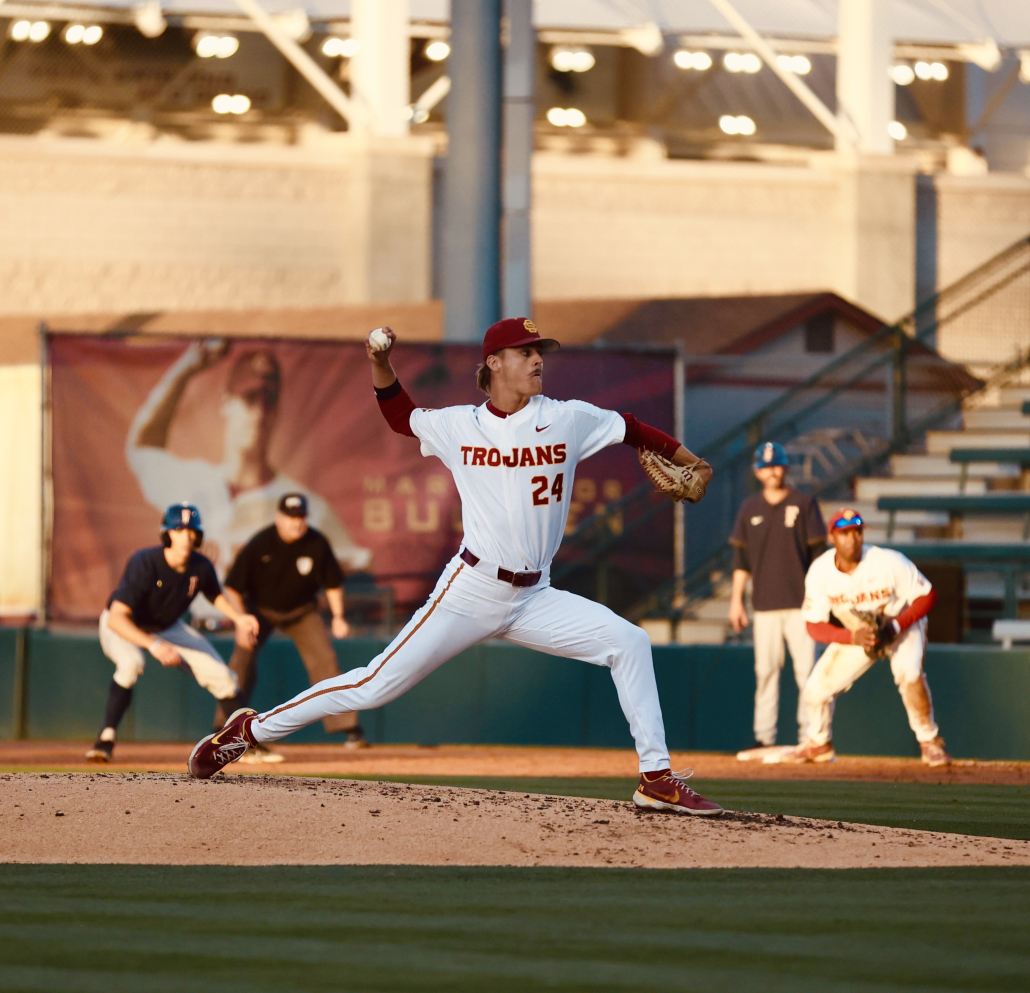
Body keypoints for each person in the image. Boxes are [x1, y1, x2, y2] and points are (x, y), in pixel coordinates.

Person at [189, 317, 724, 816]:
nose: (538, 360)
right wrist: (380, 363)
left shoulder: (568, 418)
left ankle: (655, 776)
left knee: (629, 642)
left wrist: (689, 460)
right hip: (471, 591)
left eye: (541, 352)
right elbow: (400, 415)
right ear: (494, 363)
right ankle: (249, 731)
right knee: (374, 685)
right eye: (525, 352)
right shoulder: (459, 426)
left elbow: (631, 428)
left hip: (536, 597)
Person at [126, 340, 371, 619]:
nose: (260, 412)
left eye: (269, 400)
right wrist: (187, 368)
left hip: (271, 639)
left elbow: (360, 580)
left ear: (277, 411)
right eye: (249, 398)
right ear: (226, 403)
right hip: (203, 632)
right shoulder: (191, 482)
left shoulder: (309, 509)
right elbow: (142, 448)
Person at [85, 504, 259, 763]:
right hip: (125, 625)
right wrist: (154, 646)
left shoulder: (200, 566)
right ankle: (105, 739)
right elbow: (117, 618)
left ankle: (245, 742)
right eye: (179, 529)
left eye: (191, 530)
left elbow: (215, 595)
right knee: (131, 663)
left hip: (167, 627)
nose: (186, 536)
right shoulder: (144, 562)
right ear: (167, 533)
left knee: (223, 676)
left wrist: (238, 618)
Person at [782, 507, 950, 766]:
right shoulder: (820, 571)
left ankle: (929, 741)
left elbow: (928, 595)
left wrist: (895, 626)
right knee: (815, 692)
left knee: (910, 674)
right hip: (860, 633)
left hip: (900, 624)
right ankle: (819, 744)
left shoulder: (887, 561)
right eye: (845, 533)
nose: (852, 539)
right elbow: (814, 625)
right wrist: (851, 637)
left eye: (857, 531)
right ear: (832, 537)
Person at [215, 492, 367, 761]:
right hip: (259, 612)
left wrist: (338, 616)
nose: (296, 523)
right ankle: (225, 725)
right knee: (241, 661)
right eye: (290, 517)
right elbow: (232, 587)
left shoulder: (316, 543)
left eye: (300, 517)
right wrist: (240, 620)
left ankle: (348, 728)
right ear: (279, 518)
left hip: (301, 611)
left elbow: (333, 583)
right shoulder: (261, 542)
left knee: (325, 660)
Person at [728, 441, 826, 753]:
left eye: (777, 464)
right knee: (766, 671)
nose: (773, 470)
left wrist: (825, 599)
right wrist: (735, 601)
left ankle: (812, 735)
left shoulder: (804, 502)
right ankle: (764, 736)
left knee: (808, 673)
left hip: (802, 604)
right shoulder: (749, 507)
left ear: (785, 467)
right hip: (765, 604)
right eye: (767, 466)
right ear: (757, 470)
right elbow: (741, 561)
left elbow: (820, 557)